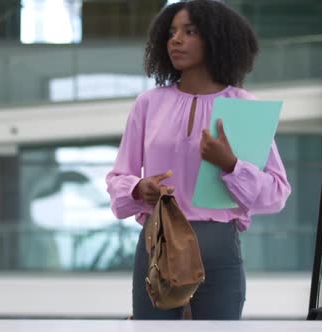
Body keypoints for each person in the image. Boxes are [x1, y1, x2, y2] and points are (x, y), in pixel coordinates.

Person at [105, 0, 291, 320]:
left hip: (219, 248)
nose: (175, 39)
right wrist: (138, 188)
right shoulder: (148, 104)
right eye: (172, 32)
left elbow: (276, 193)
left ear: (217, 40)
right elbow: (118, 176)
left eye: (189, 32)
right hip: (157, 245)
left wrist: (231, 165)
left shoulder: (243, 107)